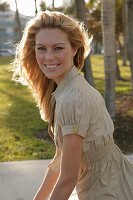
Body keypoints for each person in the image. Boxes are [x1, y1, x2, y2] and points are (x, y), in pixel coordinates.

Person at [12, 10, 133, 200]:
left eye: (58, 48)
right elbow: (60, 160)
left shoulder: (72, 98)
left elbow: (68, 179)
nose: (48, 57)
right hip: (107, 180)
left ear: (75, 49)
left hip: (105, 190)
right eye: (41, 48)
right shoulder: (67, 89)